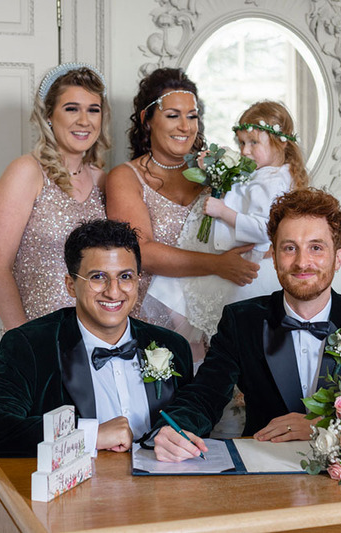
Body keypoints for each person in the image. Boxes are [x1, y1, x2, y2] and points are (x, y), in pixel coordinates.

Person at [151, 188, 341, 462]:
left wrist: (322, 424)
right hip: (264, 473)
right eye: (290, 248)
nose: (302, 262)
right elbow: (206, 394)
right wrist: (175, 428)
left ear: (338, 258)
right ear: (274, 258)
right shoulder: (242, 321)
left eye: (316, 247)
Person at [0, 219, 194, 462]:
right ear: (71, 285)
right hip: (75, 496)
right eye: (98, 277)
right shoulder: (32, 345)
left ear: (137, 280)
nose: (113, 291)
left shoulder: (172, 346)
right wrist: (89, 436)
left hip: (162, 495)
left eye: (125, 276)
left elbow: (190, 422)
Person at [105, 68, 259, 364]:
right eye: (173, 115)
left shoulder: (217, 173)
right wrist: (219, 265)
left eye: (192, 116)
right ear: (147, 120)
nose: (186, 126)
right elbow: (141, 252)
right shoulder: (125, 177)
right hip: (156, 324)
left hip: (220, 315)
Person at [148, 100, 309, 339]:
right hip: (229, 249)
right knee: (177, 290)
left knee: (177, 290)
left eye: (253, 142)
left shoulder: (272, 181)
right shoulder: (264, 174)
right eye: (242, 143)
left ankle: (192, 352)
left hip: (243, 255)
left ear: (279, 142)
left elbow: (265, 229)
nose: (245, 151)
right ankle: (191, 349)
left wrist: (223, 212)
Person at [0, 63, 111, 331]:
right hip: (40, 333)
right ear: (49, 115)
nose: (84, 120)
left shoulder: (103, 180)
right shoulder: (26, 172)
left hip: (95, 334)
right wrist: (22, 341)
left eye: (93, 110)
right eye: (72, 108)